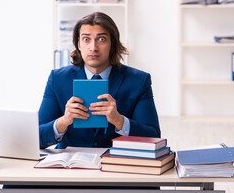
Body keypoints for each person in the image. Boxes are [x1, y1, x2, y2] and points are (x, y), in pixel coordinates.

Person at [39, 12, 160, 149]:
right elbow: (36, 138)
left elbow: (154, 138)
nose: (93, 48)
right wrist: (63, 122)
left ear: (112, 44)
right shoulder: (58, 79)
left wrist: (120, 121)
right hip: (69, 165)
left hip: (116, 163)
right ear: (78, 44)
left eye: (101, 39)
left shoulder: (139, 81)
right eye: (86, 39)